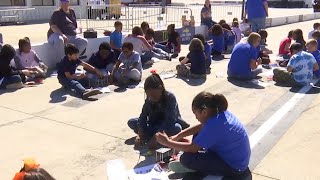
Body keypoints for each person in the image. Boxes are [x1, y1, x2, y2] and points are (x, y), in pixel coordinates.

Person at [155, 92, 251, 179]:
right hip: (235, 158)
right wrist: (178, 136)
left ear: (204, 112)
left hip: (234, 167)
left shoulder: (215, 125)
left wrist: (167, 142)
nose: (196, 117)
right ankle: (198, 164)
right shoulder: (220, 113)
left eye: (196, 114)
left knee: (186, 158)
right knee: (198, 134)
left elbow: (192, 148)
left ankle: (193, 167)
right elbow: (201, 127)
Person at [128, 73, 190, 149]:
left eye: (154, 95)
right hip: (154, 125)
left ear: (160, 88)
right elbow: (143, 116)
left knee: (177, 128)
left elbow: (170, 120)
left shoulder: (170, 97)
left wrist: (156, 136)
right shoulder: (149, 99)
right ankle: (151, 136)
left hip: (167, 126)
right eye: (149, 95)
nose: (152, 98)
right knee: (132, 122)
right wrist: (140, 133)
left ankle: (155, 137)